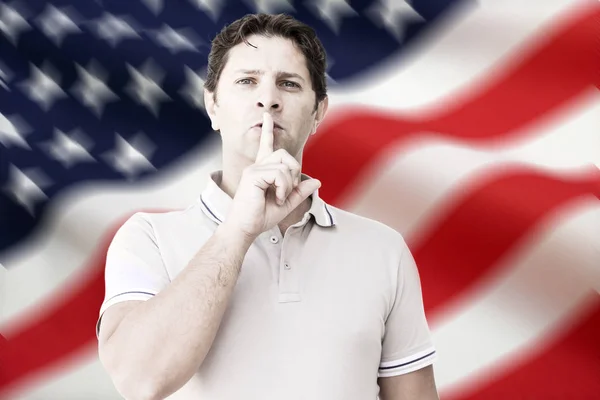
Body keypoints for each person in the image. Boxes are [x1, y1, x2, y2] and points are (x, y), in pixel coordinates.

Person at [96, 12, 439, 400]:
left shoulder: (384, 249)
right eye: (247, 81)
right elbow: (140, 382)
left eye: (289, 84)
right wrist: (238, 230)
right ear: (213, 106)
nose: (268, 99)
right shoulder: (147, 238)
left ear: (318, 113)